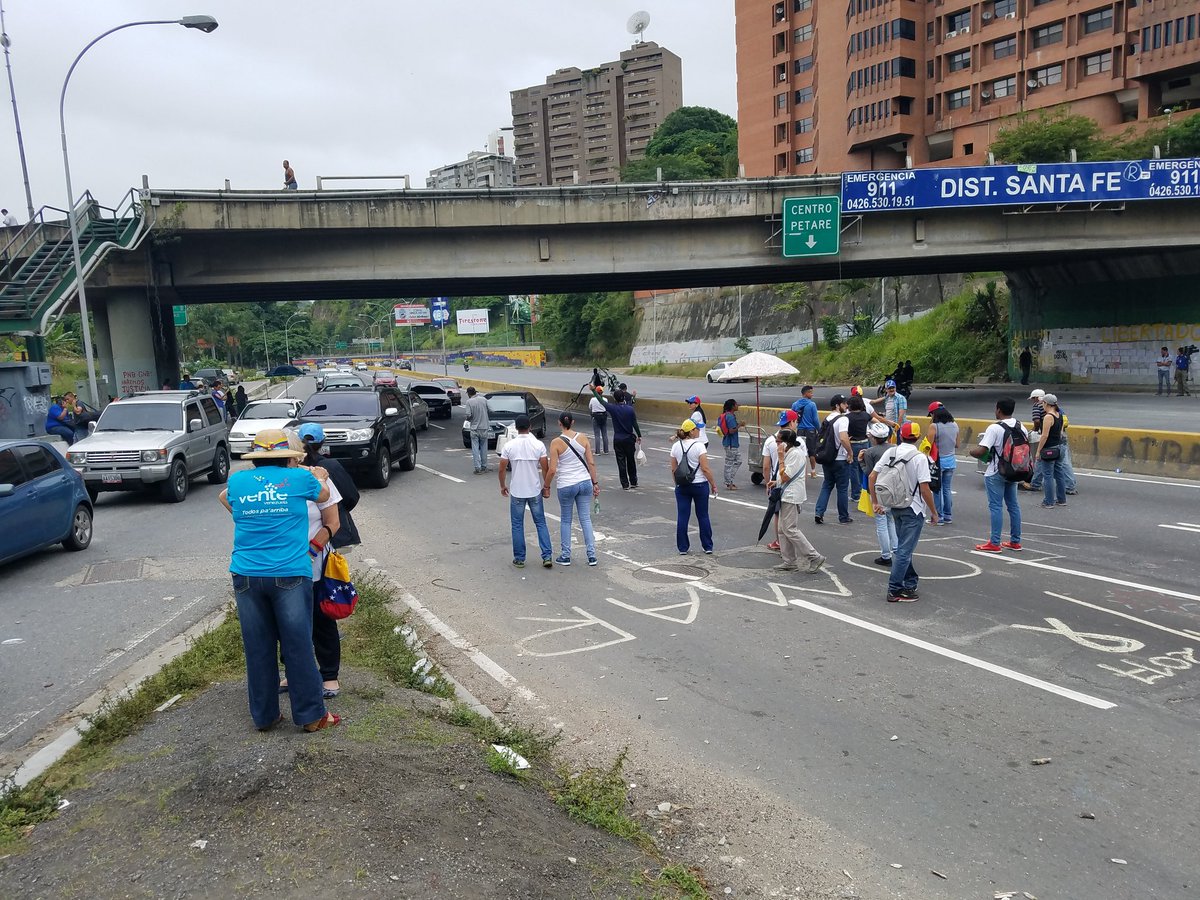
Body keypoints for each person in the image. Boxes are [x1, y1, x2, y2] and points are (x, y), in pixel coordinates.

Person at [218, 429, 338, 732]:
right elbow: (323, 496)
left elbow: (225, 498)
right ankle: (311, 716)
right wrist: (320, 474)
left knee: (257, 647)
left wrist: (252, 515)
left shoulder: (238, 480)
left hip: (246, 574)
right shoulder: (299, 478)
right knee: (297, 644)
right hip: (289, 574)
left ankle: (265, 716)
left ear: (256, 458)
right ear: (289, 457)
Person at [870, 421, 938, 603]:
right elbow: (925, 489)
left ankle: (910, 582)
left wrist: (875, 502)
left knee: (902, 549)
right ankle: (895, 589)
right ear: (917, 438)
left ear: (901, 436)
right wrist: (933, 511)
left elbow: (872, 476)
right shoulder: (919, 457)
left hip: (894, 506)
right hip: (913, 509)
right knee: (904, 552)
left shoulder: (890, 452)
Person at [970, 398, 1025, 553]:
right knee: (1013, 506)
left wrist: (971, 452)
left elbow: (981, 450)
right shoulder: (1021, 426)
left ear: (998, 409)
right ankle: (1015, 541)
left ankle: (994, 543)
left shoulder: (995, 428)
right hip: (1014, 470)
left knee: (996, 507)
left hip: (996, 471)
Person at [545, 412, 600, 566]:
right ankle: (591, 555)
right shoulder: (583, 438)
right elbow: (591, 463)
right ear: (573, 422)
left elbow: (552, 469)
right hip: (584, 482)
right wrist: (595, 483)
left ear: (559, 423)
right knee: (585, 519)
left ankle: (566, 555)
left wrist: (546, 485)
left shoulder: (556, 442)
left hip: (566, 484)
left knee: (566, 520)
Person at [499, 414, 553, 568]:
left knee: (517, 525)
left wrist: (503, 485)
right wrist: (546, 486)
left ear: (516, 428)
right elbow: (545, 468)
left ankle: (520, 558)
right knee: (540, 523)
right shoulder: (538, 445)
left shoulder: (509, 446)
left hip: (517, 490)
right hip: (534, 489)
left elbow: (502, 468)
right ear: (530, 427)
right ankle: (547, 556)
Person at [772, 429, 826, 574]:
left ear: (784, 443)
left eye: (778, 441)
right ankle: (789, 561)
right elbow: (782, 476)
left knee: (789, 528)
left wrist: (781, 458)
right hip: (786, 493)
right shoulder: (790, 452)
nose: (776, 443)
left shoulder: (795, 454)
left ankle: (814, 556)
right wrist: (774, 482)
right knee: (782, 529)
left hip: (791, 495)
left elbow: (786, 476)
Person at [670, 419, 717, 554]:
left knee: (683, 516)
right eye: (697, 429)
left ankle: (683, 548)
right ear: (691, 431)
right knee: (703, 515)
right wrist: (713, 484)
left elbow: (673, 469)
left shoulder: (675, 446)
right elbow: (705, 468)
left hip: (682, 486)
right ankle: (707, 546)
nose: (699, 431)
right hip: (700, 485)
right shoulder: (699, 446)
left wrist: (677, 485)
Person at [859, 422, 897, 566]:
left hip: (878, 490)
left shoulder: (870, 452)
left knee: (881, 523)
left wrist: (860, 462)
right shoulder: (895, 448)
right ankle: (896, 549)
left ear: (873, 437)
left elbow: (869, 473)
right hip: (893, 489)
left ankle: (886, 555)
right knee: (891, 521)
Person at [590, 385, 642, 489]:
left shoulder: (613, 408)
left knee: (621, 461)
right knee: (631, 461)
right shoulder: (630, 409)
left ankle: (625, 484)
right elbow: (635, 424)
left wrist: (593, 391)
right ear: (623, 397)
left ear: (615, 399)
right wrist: (639, 435)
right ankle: (634, 481)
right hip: (629, 439)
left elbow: (601, 401)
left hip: (618, 439)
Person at [813, 394, 852, 525]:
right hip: (840, 459)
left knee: (827, 485)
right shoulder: (843, 419)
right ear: (837, 405)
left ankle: (819, 512)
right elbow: (843, 438)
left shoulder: (827, 418)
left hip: (827, 457)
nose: (847, 406)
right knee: (842, 488)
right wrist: (850, 452)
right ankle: (843, 516)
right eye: (844, 403)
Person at [762, 410, 798, 550]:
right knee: (791, 518)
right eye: (796, 421)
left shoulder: (770, 440)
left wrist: (767, 484)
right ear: (792, 422)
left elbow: (766, 466)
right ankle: (791, 546)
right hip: (791, 484)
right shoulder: (798, 441)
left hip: (776, 482)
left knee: (777, 514)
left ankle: (779, 542)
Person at [1035, 393, 1068, 509]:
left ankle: (1049, 501)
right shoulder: (1059, 415)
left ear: (1046, 404)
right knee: (1059, 473)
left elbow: (1044, 436)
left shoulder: (1048, 417)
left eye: (1043, 403)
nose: (1042, 405)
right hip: (1059, 448)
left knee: (1048, 475)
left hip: (1049, 449)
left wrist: (1038, 451)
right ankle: (1061, 499)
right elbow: (1060, 433)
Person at [927, 405, 959, 524]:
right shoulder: (955, 425)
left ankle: (938, 516)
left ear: (934, 414)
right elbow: (957, 444)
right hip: (951, 460)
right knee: (947, 489)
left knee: (936, 490)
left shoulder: (934, 426)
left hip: (938, 461)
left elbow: (928, 445)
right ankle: (947, 515)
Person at [845, 395, 876, 503]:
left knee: (853, 470)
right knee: (865, 469)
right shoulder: (865, 415)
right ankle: (868, 492)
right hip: (865, 443)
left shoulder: (847, 417)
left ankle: (856, 495)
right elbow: (877, 422)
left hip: (853, 444)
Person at [463, 386, 491, 474]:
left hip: (474, 428)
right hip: (484, 427)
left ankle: (477, 468)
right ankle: (484, 466)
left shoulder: (469, 402)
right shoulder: (484, 400)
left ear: (468, 394)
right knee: (484, 447)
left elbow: (468, 415)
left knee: (475, 448)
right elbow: (490, 410)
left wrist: (469, 419)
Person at [790, 385, 820, 460]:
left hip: (800, 430)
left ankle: (803, 468)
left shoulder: (795, 404)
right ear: (805, 393)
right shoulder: (812, 404)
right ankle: (813, 470)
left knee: (800, 450)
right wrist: (820, 431)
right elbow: (815, 420)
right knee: (812, 452)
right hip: (811, 431)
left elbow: (792, 418)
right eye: (810, 392)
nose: (812, 394)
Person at [718, 399, 741, 490]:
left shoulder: (725, 416)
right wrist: (740, 425)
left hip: (729, 443)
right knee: (730, 462)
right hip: (731, 444)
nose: (737, 406)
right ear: (732, 406)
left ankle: (729, 480)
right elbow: (731, 430)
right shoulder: (730, 417)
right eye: (736, 404)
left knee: (737, 460)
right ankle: (728, 482)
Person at [882, 379, 907, 443]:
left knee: (898, 446)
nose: (891, 389)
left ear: (895, 388)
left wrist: (897, 427)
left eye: (893, 387)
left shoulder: (900, 398)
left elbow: (901, 414)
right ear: (886, 389)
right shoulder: (887, 398)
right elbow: (888, 410)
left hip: (897, 427)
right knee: (890, 446)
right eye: (889, 388)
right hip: (889, 427)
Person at [588, 387, 610, 454]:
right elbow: (607, 408)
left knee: (597, 435)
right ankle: (606, 450)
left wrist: (591, 415)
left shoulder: (592, 399)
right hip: (603, 417)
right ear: (602, 392)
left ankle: (597, 451)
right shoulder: (605, 399)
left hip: (596, 416)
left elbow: (590, 407)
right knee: (605, 434)